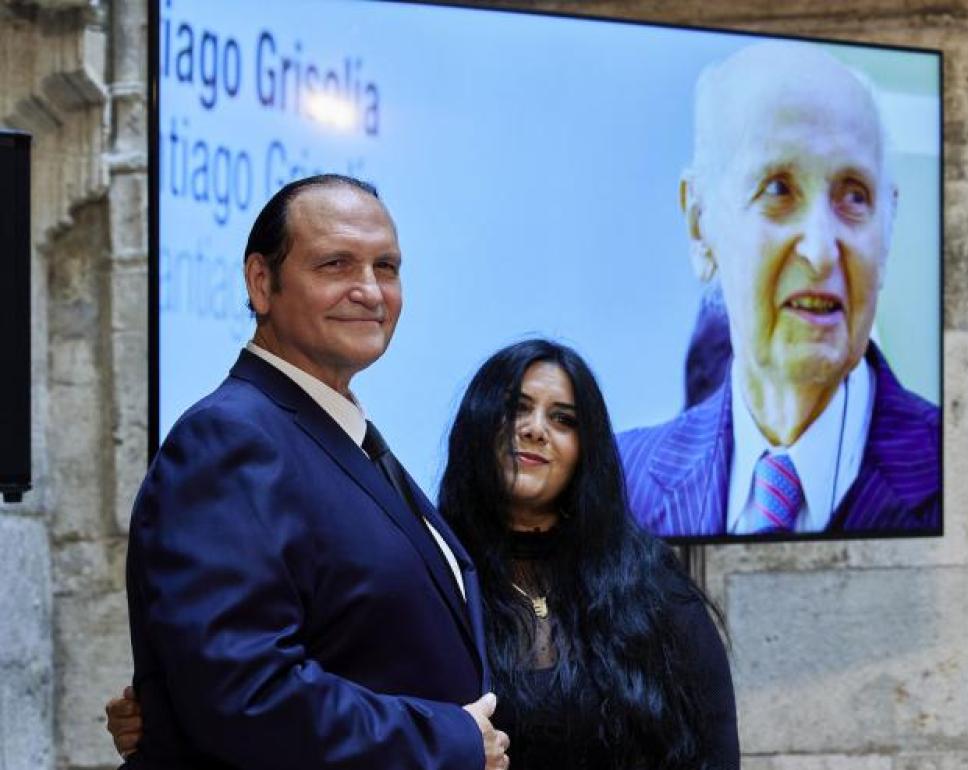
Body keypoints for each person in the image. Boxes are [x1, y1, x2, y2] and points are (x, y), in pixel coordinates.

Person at [110, 339, 740, 769]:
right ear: (477, 426)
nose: (535, 429)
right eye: (516, 409)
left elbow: (712, 748)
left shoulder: (649, 585)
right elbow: (312, 697)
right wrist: (172, 714)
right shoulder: (429, 568)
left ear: (589, 449)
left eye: (563, 418)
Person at [118, 174, 508, 768]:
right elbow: (246, 694)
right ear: (261, 281)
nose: (371, 291)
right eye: (335, 265)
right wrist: (449, 741)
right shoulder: (228, 439)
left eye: (387, 267)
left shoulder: (338, 432)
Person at [618, 41, 941, 538]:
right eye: (778, 188)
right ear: (700, 223)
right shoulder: (620, 491)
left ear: (889, 225)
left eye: (854, 195)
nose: (821, 250)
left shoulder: (956, 467)